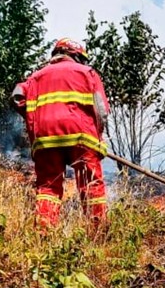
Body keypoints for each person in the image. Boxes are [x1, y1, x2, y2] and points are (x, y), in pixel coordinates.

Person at [12, 38, 110, 227]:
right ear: (76, 56)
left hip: (46, 140)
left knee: (48, 188)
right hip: (83, 139)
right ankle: (99, 235)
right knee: (91, 187)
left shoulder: (35, 77)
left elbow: (17, 96)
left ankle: (44, 234)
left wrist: (38, 117)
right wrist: (99, 137)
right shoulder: (87, 72)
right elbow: (102, 110)